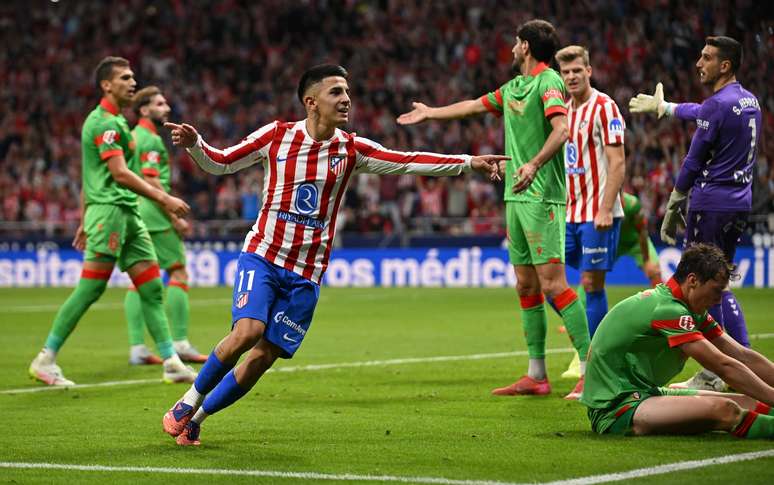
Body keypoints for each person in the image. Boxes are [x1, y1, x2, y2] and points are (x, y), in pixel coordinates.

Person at [161, 64, 506, 446]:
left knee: (262, 358)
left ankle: (198, 418)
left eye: (347, 92)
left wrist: (468, 162)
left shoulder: (351, 148)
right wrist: (196, 144)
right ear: (311, 102)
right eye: (336, 92)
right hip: (264, 255)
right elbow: (220, 162)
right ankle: (188, 400)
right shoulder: (276, 136)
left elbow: (407, 160)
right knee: (249, 331)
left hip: (307, 274)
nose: (346, 99)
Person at [397, 20, 588, 398]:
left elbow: (561, 130)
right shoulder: (514, 87)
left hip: (542, 196)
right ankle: (537, 375)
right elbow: (472, 106)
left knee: (554, 284)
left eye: (517, 43)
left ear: (527, 47)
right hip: (516, 198)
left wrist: (531, 165)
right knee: (526, 285)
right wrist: (431, 113)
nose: (513, 48)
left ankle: (591, 366)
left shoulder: (548, 82)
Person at [28, 57, 197, 386]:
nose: (132, 82)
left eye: (133, 76)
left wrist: (82, 217)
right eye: (125, 78)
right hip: (111, 212)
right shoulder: (105, 122)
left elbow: (90, 174)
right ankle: (45, 359)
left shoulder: (117, 122)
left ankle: (171, 361)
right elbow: (118, 173)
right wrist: (164, 198)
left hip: (126, 214)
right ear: (107, 85)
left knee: (150, 287)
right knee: (91, 288)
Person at [629, 36, 761, 390]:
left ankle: (713, 372)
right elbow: (703, 112)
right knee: (721, 283)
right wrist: (666, 107)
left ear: (725, 65)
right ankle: (740, 356)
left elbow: (693, 158)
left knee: (702, 287)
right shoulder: (748, 101)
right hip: (738, 203)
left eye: (706, 58)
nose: (699, 63)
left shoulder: (718, 105)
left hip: (710, 203)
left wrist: (676, 198)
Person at [581, 243, 774, 438]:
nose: (718, 300)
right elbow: (723, 365)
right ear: (693, 281)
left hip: (646, 392)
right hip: (617, 408)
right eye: (716, 291)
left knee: (748, 402)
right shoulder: (669, 310)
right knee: (726, 410)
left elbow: (741, 355)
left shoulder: (688, 309)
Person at [124, 86, 206, 365]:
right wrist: (173, 213)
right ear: (144, 110)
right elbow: (151, 179)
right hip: (155, 215)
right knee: (178, 272)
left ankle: (137, 348)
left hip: (136, 211)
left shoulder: (132, 137)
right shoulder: (150, 140)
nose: (166, 108)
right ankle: (180, 342)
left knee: (139, 280)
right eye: (159, 104)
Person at [560, 191, 663, 380]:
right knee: (589, 281)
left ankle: (666, 315)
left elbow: (642, 232)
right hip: (609, 241)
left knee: (655, 273)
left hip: (632, 243)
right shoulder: (595, 202)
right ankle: (581, 322)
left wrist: (647, 260)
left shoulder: (632, 204)